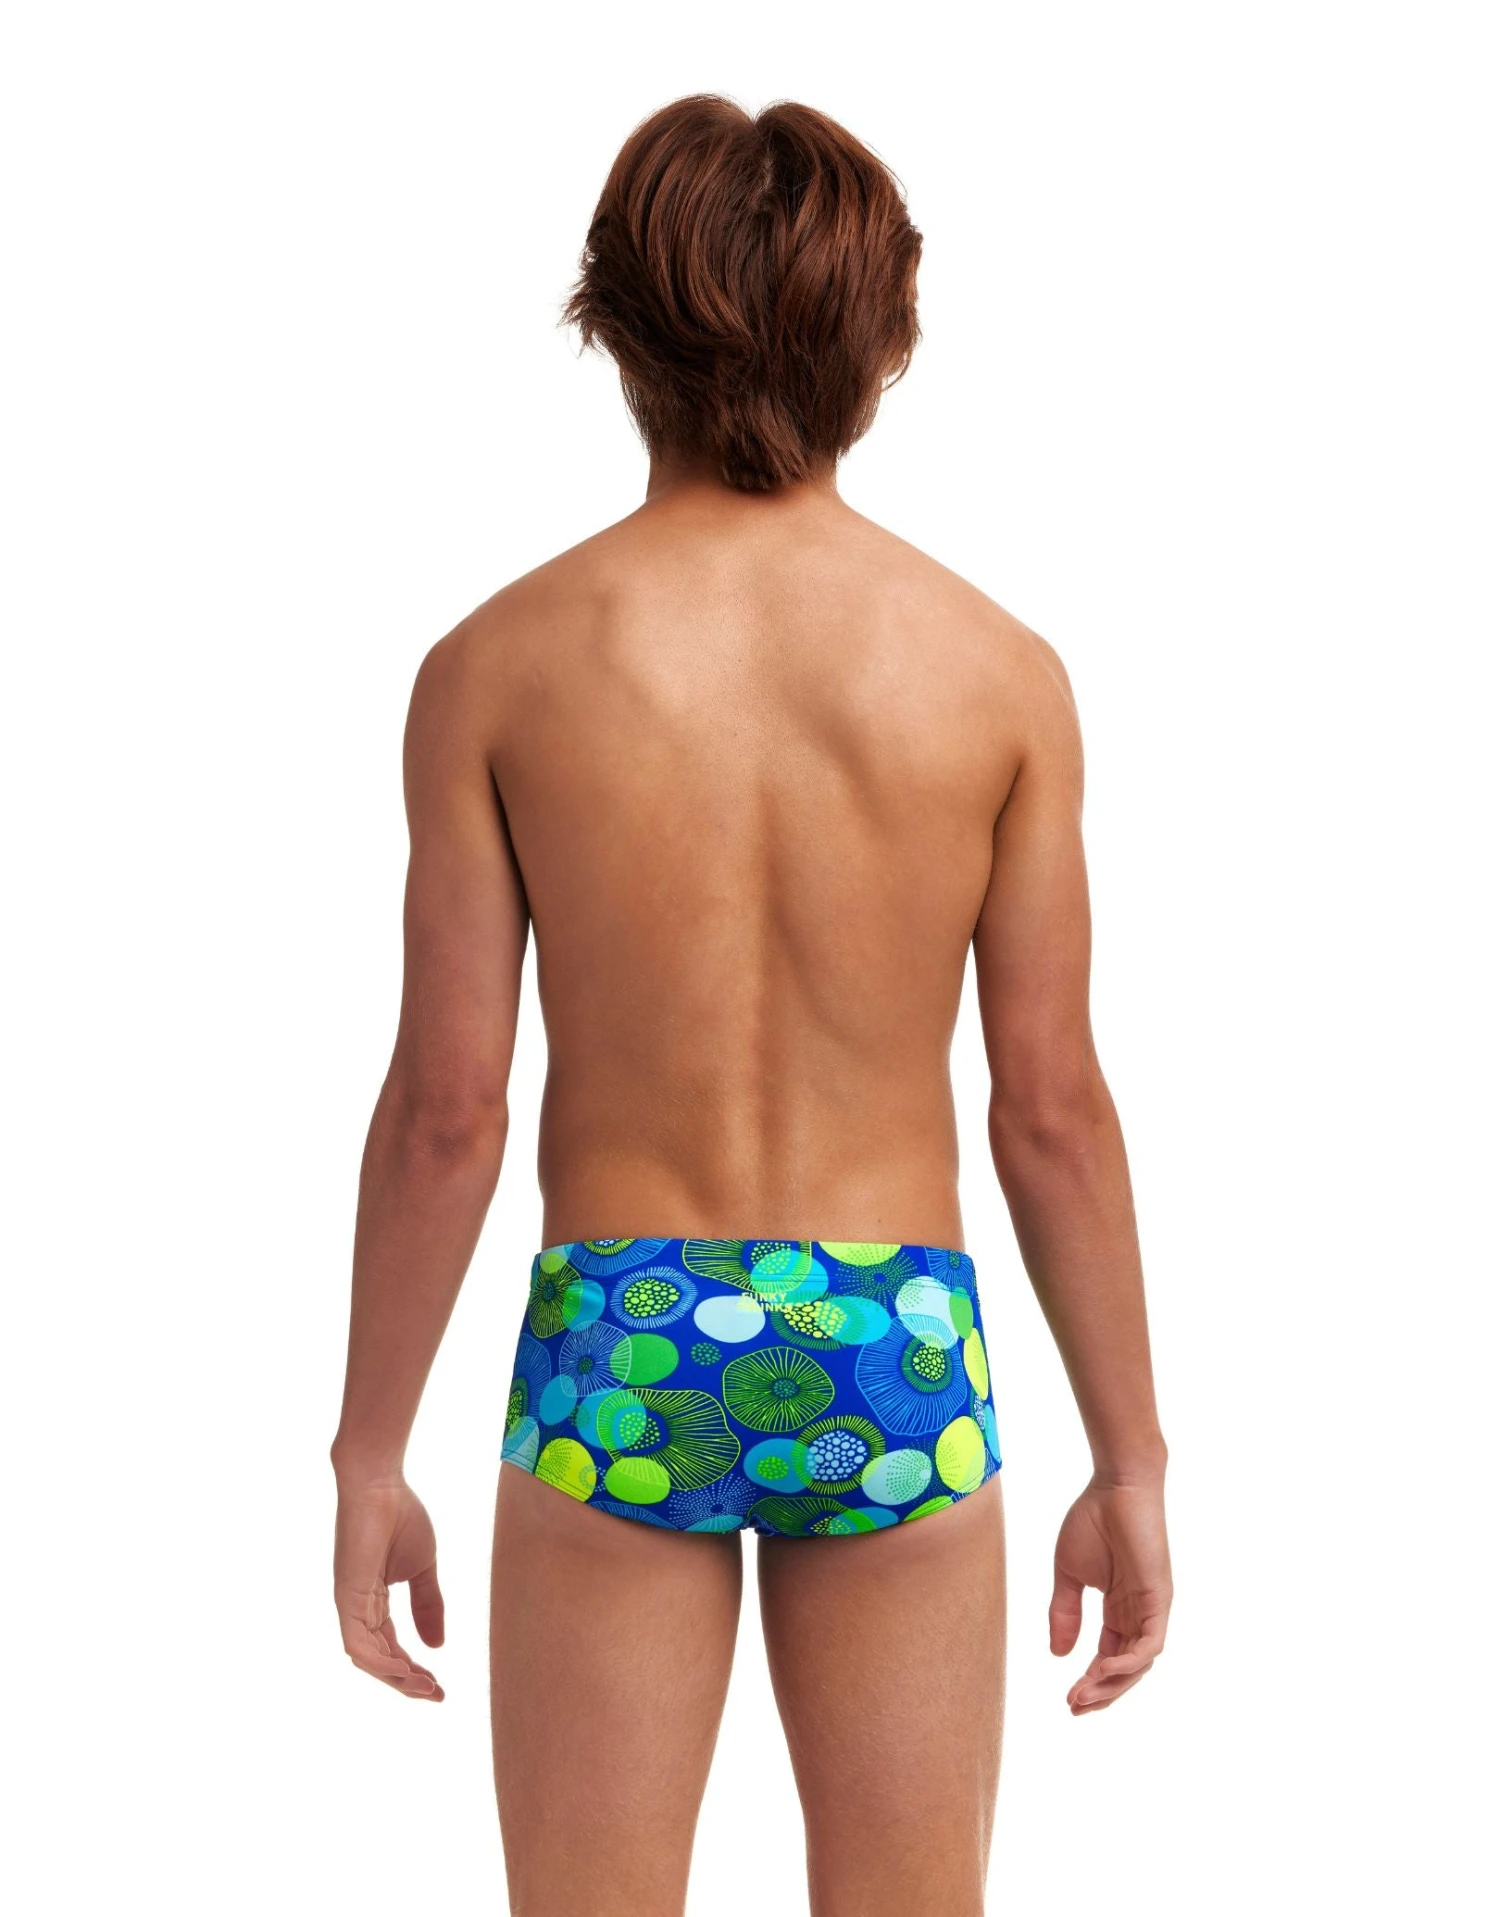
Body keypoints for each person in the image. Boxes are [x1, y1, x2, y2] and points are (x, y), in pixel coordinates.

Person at [331, 93, 1171, 1917]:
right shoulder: (998, 675)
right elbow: (1051, 1112)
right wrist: (1133, 1458)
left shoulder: (496, 668)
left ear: (613, 318)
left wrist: (367, 1450)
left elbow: (447, 1112)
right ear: (884, 334)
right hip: (891, 1338)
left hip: (621, 1337)